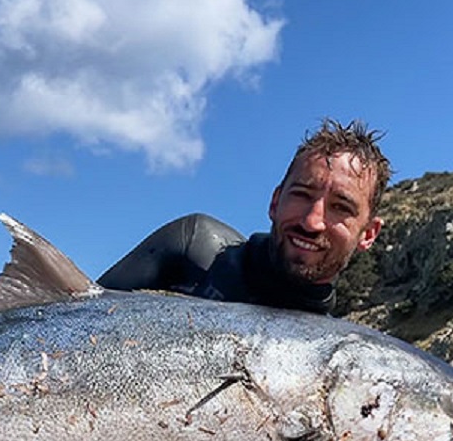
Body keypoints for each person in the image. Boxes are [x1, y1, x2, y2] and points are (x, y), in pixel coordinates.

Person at [97, 119, 391, 315]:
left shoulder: (335, 355)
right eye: (302, 194)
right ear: (275, 202)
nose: (312, 222)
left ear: (368, 234)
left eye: (341, 207)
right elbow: (81, 313)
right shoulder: (194, 246)